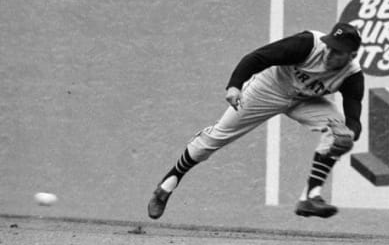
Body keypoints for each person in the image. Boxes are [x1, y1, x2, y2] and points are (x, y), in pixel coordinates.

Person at [148, 22, 364, 219]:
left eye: (338, 51)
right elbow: (258, 57)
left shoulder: (352, 76)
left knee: (338, 132)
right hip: (269, 89)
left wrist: (350, 133)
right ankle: (167, 185)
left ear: (351, 56)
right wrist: (235, 85)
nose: (330, 52)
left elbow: (354, 117)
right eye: (330, 45)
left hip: (304, 102)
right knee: (214, 139)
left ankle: (311, 197)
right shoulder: (308, 44)